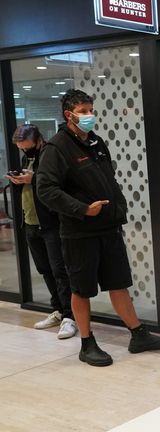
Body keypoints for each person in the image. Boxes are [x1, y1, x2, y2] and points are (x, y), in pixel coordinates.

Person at [36, 89, 160, 367]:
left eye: (90, 109)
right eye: (84, 111)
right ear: (69, 114)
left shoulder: (96, 142)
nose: (89, 115)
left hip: (108, 228)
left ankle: (137, 334)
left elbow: (107, 178)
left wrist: (117, 208)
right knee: (81, 289)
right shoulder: (57, 148)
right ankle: (87, 344)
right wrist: (83, 209)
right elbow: (46, 190)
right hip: (80, 232)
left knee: (118, 283)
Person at [6, 125, 76, 339]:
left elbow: (61, 185)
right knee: (45, 270)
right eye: (20, 148)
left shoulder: (51, 155)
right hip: (30, 223)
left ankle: (70, 316)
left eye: (27, 147)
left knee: (60, 271)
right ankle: (57, 310)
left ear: (38, 141)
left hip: (51, 224)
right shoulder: (26, 159)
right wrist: (18, 181)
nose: (24, 152)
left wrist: (33, 179)